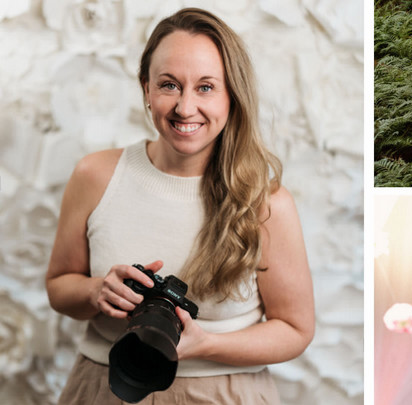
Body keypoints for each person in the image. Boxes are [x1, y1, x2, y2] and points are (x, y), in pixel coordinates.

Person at [45, 8, 315, 405]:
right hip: (102, 387)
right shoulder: (95, 175)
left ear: (232, 94)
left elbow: (295, 330)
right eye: (169, 85)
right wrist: (96, 291)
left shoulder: (266, 203)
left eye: (206, 87)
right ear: (146, 88)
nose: (185, 108)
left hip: (223, 394)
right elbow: (58, 288)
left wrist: (203, 344)